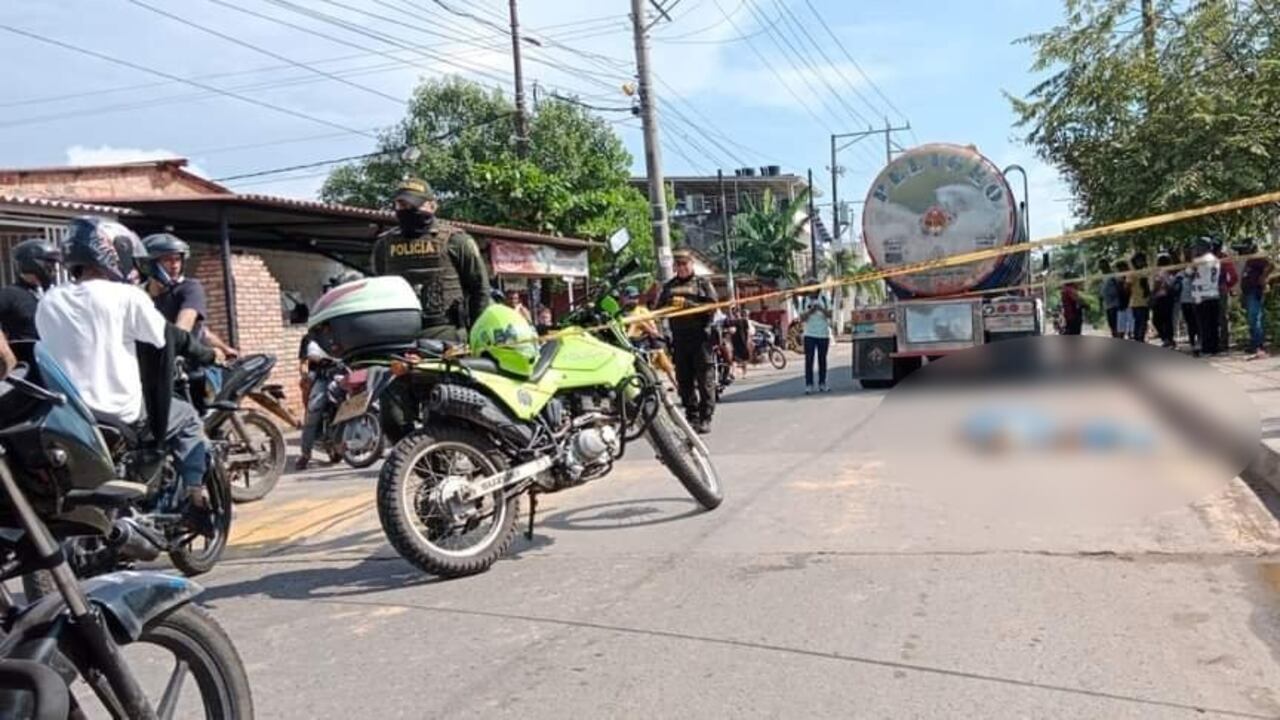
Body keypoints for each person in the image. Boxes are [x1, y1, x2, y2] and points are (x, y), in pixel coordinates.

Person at [35, 217, 213, 508]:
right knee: (189, 418)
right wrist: (207, 353)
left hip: (70, 415)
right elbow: (165, 338)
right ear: (111, 252)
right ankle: (196, 491)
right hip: (119, 410)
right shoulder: (128, 297)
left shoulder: (49, 301)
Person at [370, 178, 491, 442]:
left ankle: (450, 457)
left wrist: (477, 338)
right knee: (393, 414)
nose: (404, 209)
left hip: (446, 336)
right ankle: (416, 459)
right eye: (399, 204)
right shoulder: (384, 245)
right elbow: (379, 291)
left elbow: (480, 291)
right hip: (400, 340)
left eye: (411, 204)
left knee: (446, 409)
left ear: (432, 206)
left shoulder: (457, 241)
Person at [657, 249, 718, 434]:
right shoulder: (669, 286)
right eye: (679, 265)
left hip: (700, 338)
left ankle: (705, 417)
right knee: (684, 382)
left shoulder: (702, 283)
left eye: (685, 264)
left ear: (691, 264)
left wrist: (690, 306)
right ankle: (692, 417)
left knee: (705, 380)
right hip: (680, 339)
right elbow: (658, 310)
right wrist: (668, 307)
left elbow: (713, 307)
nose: (682, 268)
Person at [0, 237, 61, 341]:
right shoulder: (9, 295)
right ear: (32, 262)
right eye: (50, 263)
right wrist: (7, 354)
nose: (54, 269)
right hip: (25, 355)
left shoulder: (54, 294)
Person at [294, 327, 335, 471]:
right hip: (322, 375)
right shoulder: (310, 338)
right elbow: (304, 363)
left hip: (343, 373)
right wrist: (304, 375)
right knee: (313, 411)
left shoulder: (343, 331)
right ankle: (305, 454)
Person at [623, 286, 677, 389]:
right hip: (631, 345)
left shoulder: (642, 310)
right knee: (643, 372)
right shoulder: (622, 313)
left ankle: (679, 388)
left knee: (666, 366)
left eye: (635, 297)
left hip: (649, 342)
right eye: (631, 297)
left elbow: (653, 329)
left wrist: (647, 328)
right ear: (625, 298)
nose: (634, 300)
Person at [1239, 238, 1273, 359]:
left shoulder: (1257, 257)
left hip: (1255, 291)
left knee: (1255, 318)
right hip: (1248, 292)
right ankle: (1254, 344)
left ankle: (1259, 346)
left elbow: (1270, 265)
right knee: (1251, 319)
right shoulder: (1250, 260)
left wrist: (1263, 278)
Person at [1191, 237, 1223, 356]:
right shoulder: (1216, 260)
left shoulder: (1199, 260)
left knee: (1204, 325)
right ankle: (1214, 348)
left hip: (1202, 296)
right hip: (1214, 294)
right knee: (1213, 324)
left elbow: (1188, 272)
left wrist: (1193, 257)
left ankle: (1207, 349)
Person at [801, 286, 833, 393]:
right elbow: (802, 318)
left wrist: (821, 309)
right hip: (809, 334)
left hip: (823, 334)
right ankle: (809, 385)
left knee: (822, 360)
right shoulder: (804, 300)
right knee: (809, 360)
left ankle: (822, 383)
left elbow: (830, 314)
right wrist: (811, 311)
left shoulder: (824, 298)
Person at [1151, 253, 1178, 348]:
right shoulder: (1170, 273)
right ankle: (1169, 339)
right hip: (1168, 298)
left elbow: (1157, 284)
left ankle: (1166, 338)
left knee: (1157, 320)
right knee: (1167, 320)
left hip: (1161, 298)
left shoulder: (1160, 272)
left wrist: (1153, 294)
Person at [1128, 252, 1151, 342]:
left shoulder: (1145, 272)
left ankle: (1140, 339)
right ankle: (1138, 340)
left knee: (1144, 322)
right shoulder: (1132, 273)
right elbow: (1127, 286)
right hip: (1136, 302)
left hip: (1145, 302)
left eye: (1142, 260)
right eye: (1138, 261)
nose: (1140, 262)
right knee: (1139, 323)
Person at [1180, 247, 1199, 350]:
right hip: (1185, 299)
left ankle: (1198, 342)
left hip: (1195, 298)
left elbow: (1190, 274)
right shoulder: (1182, 268)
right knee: (1190, 322)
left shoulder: (1195, 265)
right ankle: (1193, 343)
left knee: (1196, 322)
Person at [1099, 260, 1121, 338]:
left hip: (1115, 304)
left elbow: (1119, 287)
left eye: (1104, 266)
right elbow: (1101, 291)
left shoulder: (1113, 276)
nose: (1102, 268)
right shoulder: (1102, 277)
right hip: (1107, 305)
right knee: (1112, 325)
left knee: (1116, 324)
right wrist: (1100, 305)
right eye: (1101, 267)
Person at [1113, 260, 1133, 339]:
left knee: (1131, 329)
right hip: (1121, 305)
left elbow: (1127, 290)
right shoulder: (1117, 278)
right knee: (1121, 329)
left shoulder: (1129, 276)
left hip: (1130, 305)